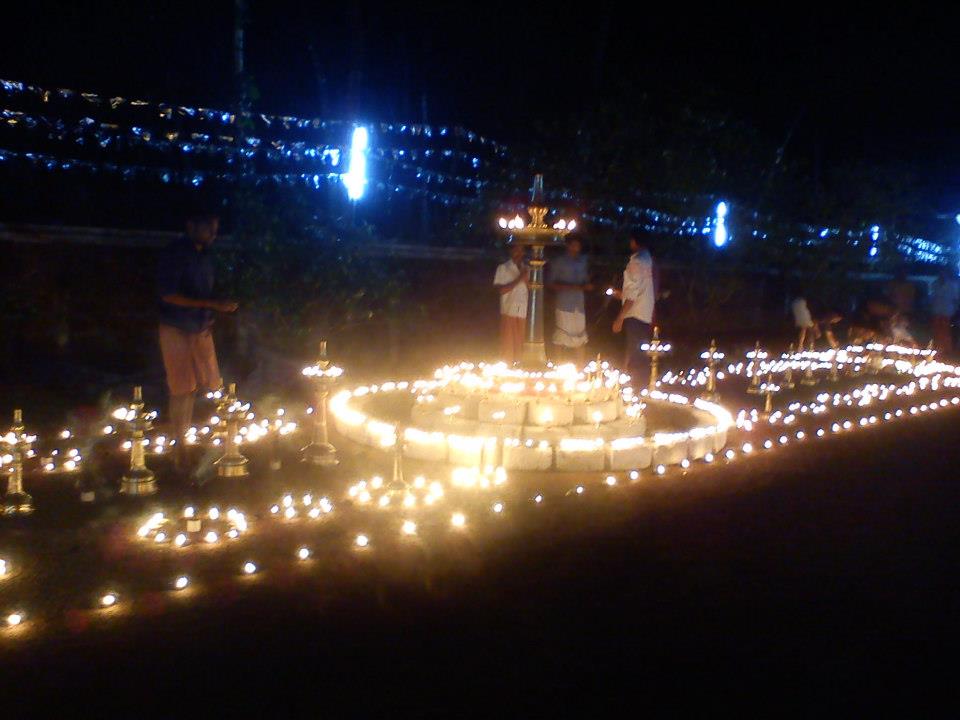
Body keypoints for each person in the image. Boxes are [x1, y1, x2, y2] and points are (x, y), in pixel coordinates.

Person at [157, 209, 237, 470]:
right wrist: (211, 304)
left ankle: (194, 442)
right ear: (191, 225)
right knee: (182, 387)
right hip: (176, 327)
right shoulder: (175, 254)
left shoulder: (203, 256)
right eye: (208, 229)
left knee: (208, 384)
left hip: (199, 327)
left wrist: (211, 311)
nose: (213, 235)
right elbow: (168, 295)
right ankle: (179, 445)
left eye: (216, 229)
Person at [612, 236, 656, 380]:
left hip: (635, 314)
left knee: (635, 355)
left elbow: (632, 296)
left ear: (634, 242)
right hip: (645, 312)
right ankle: (638, 386)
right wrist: (621, 295)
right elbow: (640, 289)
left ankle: (635, 389)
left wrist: (619, 318)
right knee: (638, 353)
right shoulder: (647, 259)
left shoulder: (636, 262)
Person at [547, 237, 592, 366]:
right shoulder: (559, 261)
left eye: (578, 246)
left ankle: (580, 368)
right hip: (564, 304)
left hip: (579, 304)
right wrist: (573, 287)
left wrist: (587, 286)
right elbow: (551, 283)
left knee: (580, 337)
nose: (575, 249)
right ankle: (558, 365)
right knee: (561, 336)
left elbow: (585, 281)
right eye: (573, 245)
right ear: (568, 246)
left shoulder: (582, 261)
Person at [493, 244, 528, 364]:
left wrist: (526, 279)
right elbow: (501, 290)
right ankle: (507, 365)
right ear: (511, 251)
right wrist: (519, 279)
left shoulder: (526, 268)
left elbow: (531, 289)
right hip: (509, 309)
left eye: (521, 251)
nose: (518, 253)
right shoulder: (503, 268)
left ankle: (520, 365)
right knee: (508, 341)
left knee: (522, 341)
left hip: (523, 310)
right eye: (516, 250)